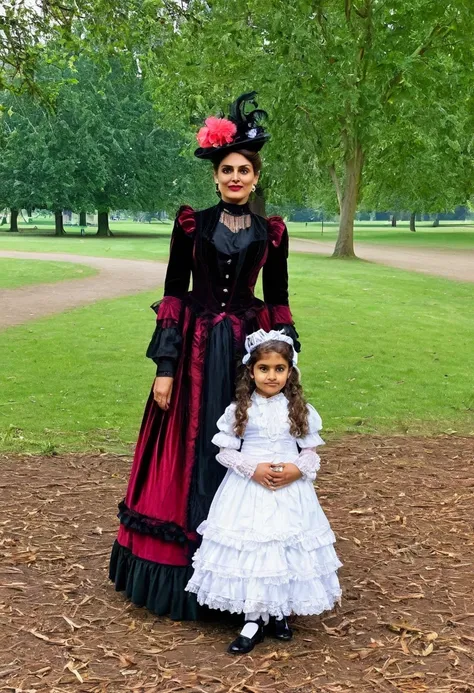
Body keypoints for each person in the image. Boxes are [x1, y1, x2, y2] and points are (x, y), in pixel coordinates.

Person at [109, 93, 300, 620]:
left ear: (255, 178)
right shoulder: (191, 224)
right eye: (226, 169)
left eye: (243, 169)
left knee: (245, 440)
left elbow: (278, 301)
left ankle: (244, 574)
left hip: (242, 349)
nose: (235, 177)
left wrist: (285, 361)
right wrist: (165, 368)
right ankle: (183, 570)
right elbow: (173, 291)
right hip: (192, 350)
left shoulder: (272, 233)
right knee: (188, 447)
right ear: (215, 176)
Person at [185, 330, 342, 654]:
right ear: (251, 371)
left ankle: (280, 611)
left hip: (290, 491)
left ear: (290, 371)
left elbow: (311, 451)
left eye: (279, 369)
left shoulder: (299, 409)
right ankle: (253, 619)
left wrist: (298, 468)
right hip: (248, 490)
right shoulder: (240, 410)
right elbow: (224, 452)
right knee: (256, 550)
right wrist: (251, 468)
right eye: (264, 369)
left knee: (284, 548)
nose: (272, 376)